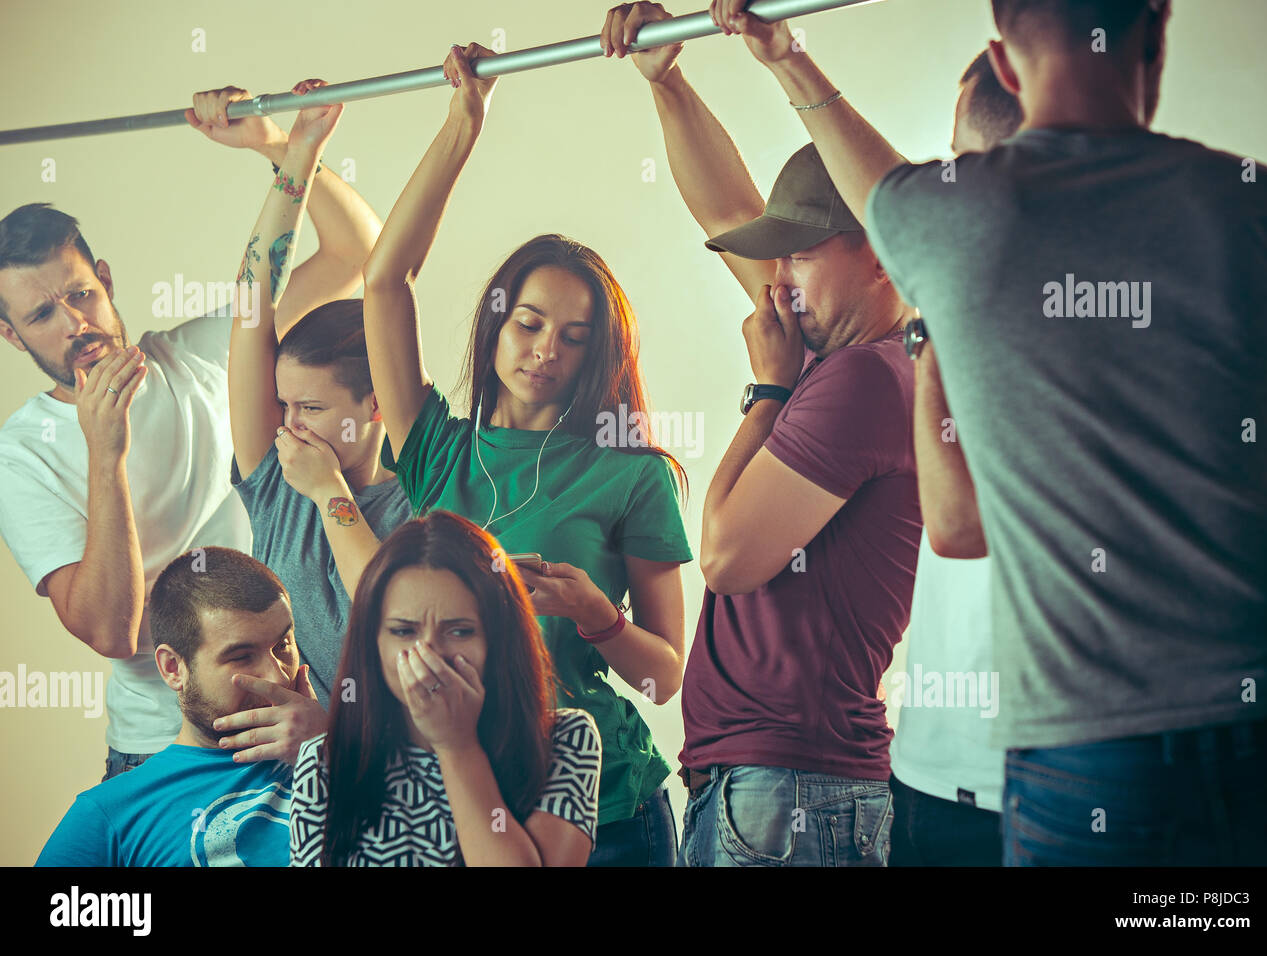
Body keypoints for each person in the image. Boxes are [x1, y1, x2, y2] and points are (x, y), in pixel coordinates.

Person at [741, 0, 1267, 864]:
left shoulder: (956, 225)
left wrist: (785, 57)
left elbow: (958, 528)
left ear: (1005, 63)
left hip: (1088, 750)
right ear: (1156, 32)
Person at [360, 42, 693, 866]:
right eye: (530, 324)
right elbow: (382, 282)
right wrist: (462, 123)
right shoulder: (435, 447)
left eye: (575, 338)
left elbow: (661, 681)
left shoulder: (632, 474)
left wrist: (597, 617)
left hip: (609, 811)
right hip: (463, 799)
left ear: (598, 354)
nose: (546, 350)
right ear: (496, 325)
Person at [604, 2, 920, 867]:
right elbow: (726, 208)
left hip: (791, 790)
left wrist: (766, 389)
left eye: (802, 254)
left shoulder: (860, 376)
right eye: (776, 260)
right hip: (772, 785)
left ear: (883, 253)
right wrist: (668, 82)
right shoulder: (836, 341)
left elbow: (729, 556)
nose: (778, 284)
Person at [0, 80, 378, 780]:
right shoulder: (20, 454)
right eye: (42, 315)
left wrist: (278, 149)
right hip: (161, 752)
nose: (75, 324)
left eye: (80, 294)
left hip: (291, 723)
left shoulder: (199, 354)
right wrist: (104, 453)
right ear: (11, 335)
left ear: (105, 280)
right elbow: (112, 631)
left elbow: (358, 255)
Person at [219, 79, 411, 705]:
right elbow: (253, 308)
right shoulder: (276, 474)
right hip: (286, 779)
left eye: (313, 408)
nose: (291, 425)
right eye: (286, 405)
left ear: (375, 403)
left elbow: (398, 622)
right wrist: (293, 154)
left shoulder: (426, 498)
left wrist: (330, 490)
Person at [887, 51, 1023, 868]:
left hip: (1048, 784)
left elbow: (959, 526)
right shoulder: (944, 298)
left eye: (959, 159)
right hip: (933, 778)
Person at [290, 511, 601, 866]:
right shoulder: (324, 760)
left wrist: (456, 744)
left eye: (459, 631)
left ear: (497, 639)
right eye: (404, 632)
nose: (429, 654)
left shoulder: (566, 739)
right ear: (372, 643)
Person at [36, 547, 322, 866]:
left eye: (282, 646)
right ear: (173, 668)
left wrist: (330, 750)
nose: (277, 676)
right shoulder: (111, 814)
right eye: (242, 656)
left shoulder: (345, 754)